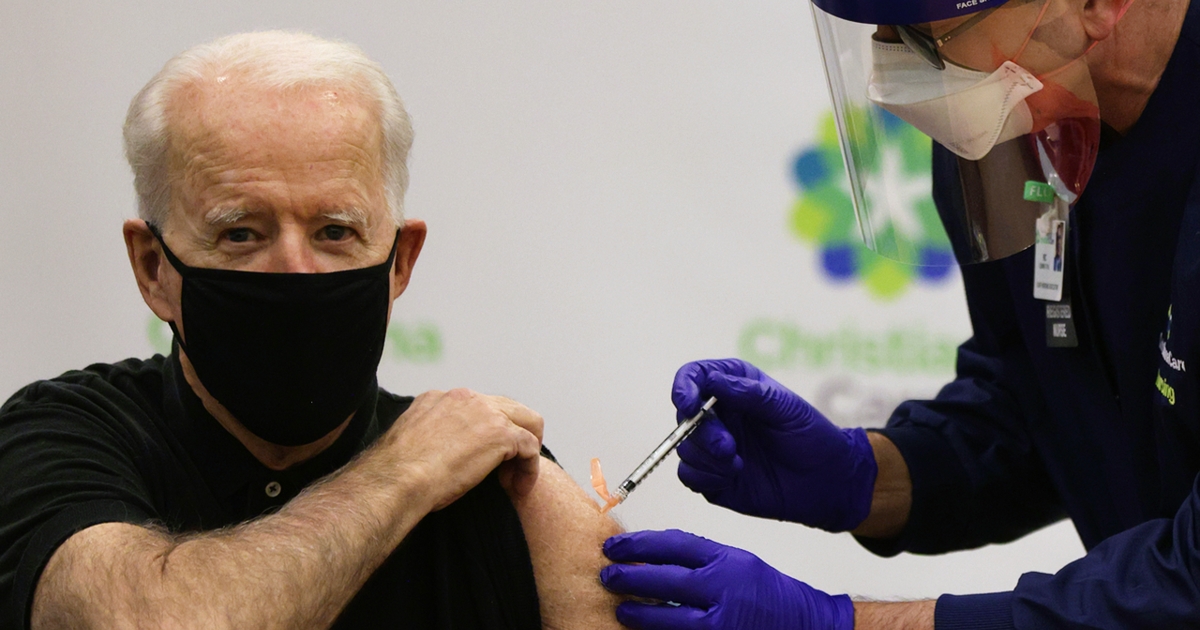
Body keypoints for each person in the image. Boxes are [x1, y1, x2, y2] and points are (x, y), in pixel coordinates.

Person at [598, 0, 1200, 627]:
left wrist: (841, 623)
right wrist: (870, 475)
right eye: (875, 31)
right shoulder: (1014, 125)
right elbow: (1046, 407)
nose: (891, 69)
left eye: (920, 33)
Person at [0, 31, 623, 630]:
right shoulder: (55, 439)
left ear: (399, 261)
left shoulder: (499, 486)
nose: (295, 272)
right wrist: (400, 476)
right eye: (241, 233)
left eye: (334, 232)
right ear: (153, 267)